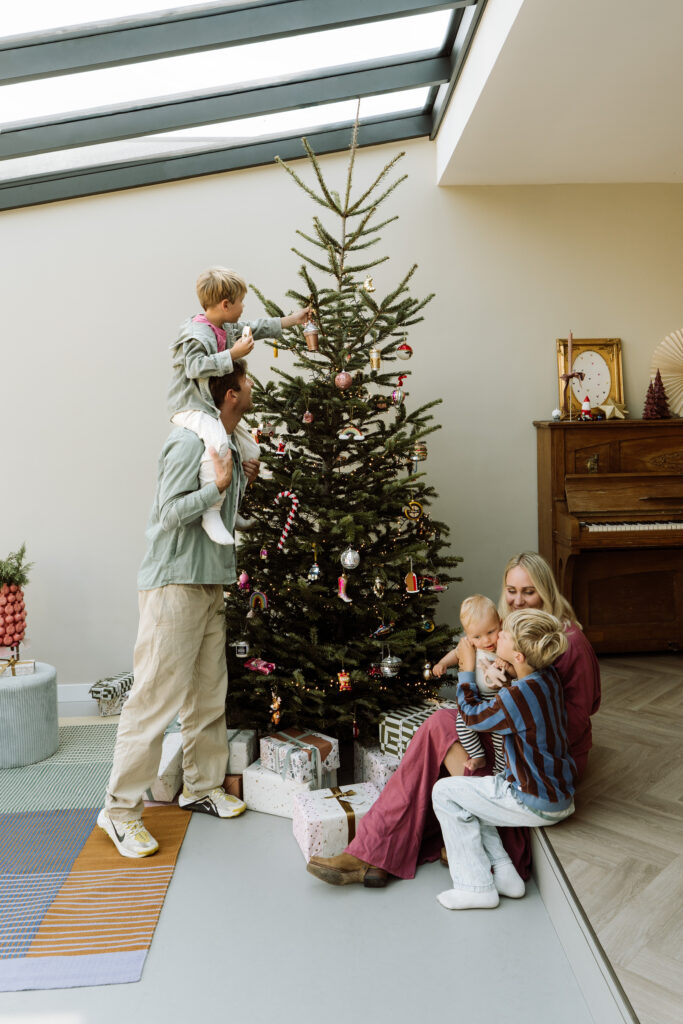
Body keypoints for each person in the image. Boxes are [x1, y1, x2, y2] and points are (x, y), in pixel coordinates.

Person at [306, 551, 600, 888]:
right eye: (511, 591)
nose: (518, 601)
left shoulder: (569, 642)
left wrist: (494, 693)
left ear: (546, 591)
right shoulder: (511, 631)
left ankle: (376, 851)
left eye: (528, 592)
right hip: (512, 731)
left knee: (445, 731)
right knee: (440, 725)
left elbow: (575, 721)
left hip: (544, 758)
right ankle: (374, 850)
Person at [98, 361, 257, 859]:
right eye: (248, 382)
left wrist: (239, 484)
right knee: (154, 698)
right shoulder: (189, 442)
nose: (253, 387)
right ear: (230, 394)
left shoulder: (227, 444)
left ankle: (202, 786)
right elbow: (168, 514)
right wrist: (219, 486)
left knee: (208, 694)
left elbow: (221, 514)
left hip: (210, 582)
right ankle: (119, 811)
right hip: (175, 584)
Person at [433, 609, 575, 910]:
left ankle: (475, 887)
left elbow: (472, 717)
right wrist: (509, 669)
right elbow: (524, 693)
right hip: (559, 793)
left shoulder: (517, 698)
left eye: (505, 634)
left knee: (443, 793)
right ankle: (505, 872)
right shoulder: (547, 676)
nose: (498, 636)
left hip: (534, 799)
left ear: (519, 656)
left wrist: (466, 670)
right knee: (473, 794)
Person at [168, 266, 310, 545]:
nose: (244, 307)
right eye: (241, 302)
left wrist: (293, 320)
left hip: (209, 407)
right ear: (226, 304)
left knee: (248, 449)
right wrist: (231, 354)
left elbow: (256, 327)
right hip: (191, 407)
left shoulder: (225, 328)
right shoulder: (197, 334)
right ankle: (212, 513)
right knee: (219, 445)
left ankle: (231, 509)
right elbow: (194, 367)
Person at [432, 595, 509, 773]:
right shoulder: (470, 646)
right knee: (462, 725)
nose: (486, 640)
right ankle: (477, 755)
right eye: (477, 636)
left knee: (501, 736)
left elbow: (512, 661)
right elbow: (455, 653)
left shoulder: (503, 645)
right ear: (468, 636)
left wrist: (505, 661)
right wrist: (443, 663)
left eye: (491, 632)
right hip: (475, 699)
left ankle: (500, 770)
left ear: (500, 623)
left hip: (497, 700)